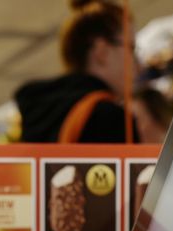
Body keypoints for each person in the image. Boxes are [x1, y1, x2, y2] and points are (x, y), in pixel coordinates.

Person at [14, 0, 137, 143]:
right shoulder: (110, 120)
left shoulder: (39, 113)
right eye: (131, 48)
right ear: (102, 51)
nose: (136, 62)